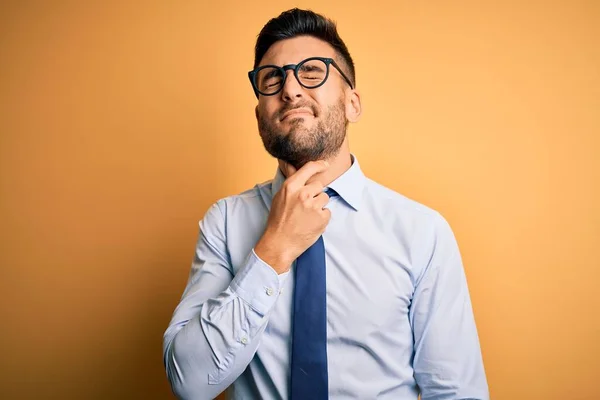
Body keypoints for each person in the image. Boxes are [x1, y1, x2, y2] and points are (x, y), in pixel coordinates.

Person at [163, 8, 489, 400]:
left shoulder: (422, 232)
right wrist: (273, 250)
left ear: (352, 103)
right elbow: (190, 384)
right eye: (272, 79)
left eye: (313, 71)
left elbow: (456, 392)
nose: (291, 89)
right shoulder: (226, 223)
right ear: (259, 116)